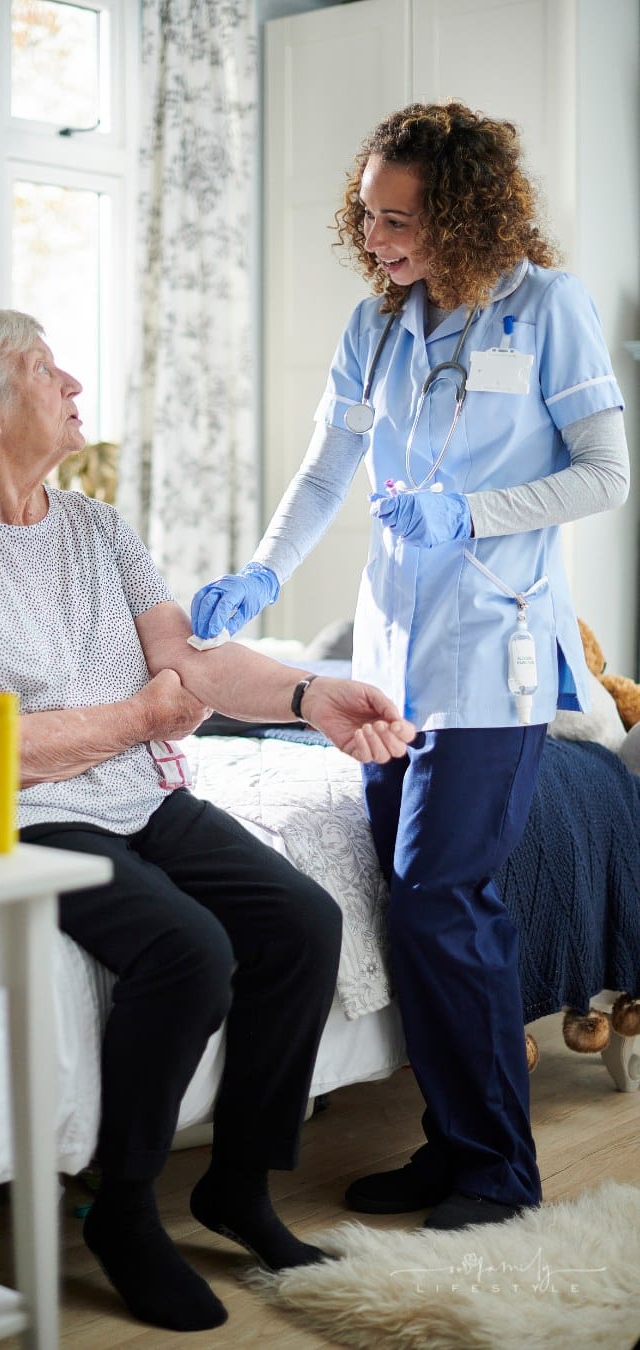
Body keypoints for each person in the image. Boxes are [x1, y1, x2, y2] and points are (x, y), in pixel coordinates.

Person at [0, 308, 415, 1333]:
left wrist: (314, 699)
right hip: (9, 814)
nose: (72, 382)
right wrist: (143, 716)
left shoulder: (94, 526)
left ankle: (238, 1185)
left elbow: (194, 664)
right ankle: (122, 1206)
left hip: (134, 791)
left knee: (302, 923)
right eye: (43, 369)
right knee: (187, 950)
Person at [191, 101, 630, 1232]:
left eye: (400, 220)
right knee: (414, 903)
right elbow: (325, 468)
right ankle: (452, 1145)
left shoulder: (549, 310)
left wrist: (469, 513)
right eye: (369, 217)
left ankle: (497, 1167)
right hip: (388, 662)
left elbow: (603, 475)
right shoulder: (378, 324)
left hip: (497, 656)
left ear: (468, 214)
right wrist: (260, 576)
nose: (377, 239)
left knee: (445, 896)